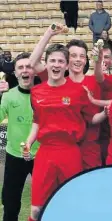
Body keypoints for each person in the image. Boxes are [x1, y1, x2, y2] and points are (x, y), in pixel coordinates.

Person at [22, 44, 98, 221]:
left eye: (60, 62)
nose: (56, 65)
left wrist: (111, 111)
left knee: (73, 206)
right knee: (36, 209)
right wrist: (28, 141)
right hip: (45, 153)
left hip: (70, 152)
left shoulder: (78, 91)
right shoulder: (37, 92)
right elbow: (37, 120)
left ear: (66, 65)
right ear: (48, 63)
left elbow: (92, 117)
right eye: (52, 61)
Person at [30, 24, 104, 170]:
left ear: (86, 59)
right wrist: (49, 33)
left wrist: (98, 61)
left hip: (90, 149)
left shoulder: (94, 81)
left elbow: (100, 77)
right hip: (64, 149)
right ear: (65, 60)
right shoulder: (55, 80)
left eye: (82, 56)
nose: (78, 60)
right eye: (73, 56)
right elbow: (33, 63)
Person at [0, 53, 39, 221]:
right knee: (10, 202)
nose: (25, 70)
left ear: (34, 71)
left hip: (41, 157)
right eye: (20, 67)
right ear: (15, 73)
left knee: (44, 203)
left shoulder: (42, 94)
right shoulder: (9, 96)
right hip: (15, 156)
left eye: (28, 66)